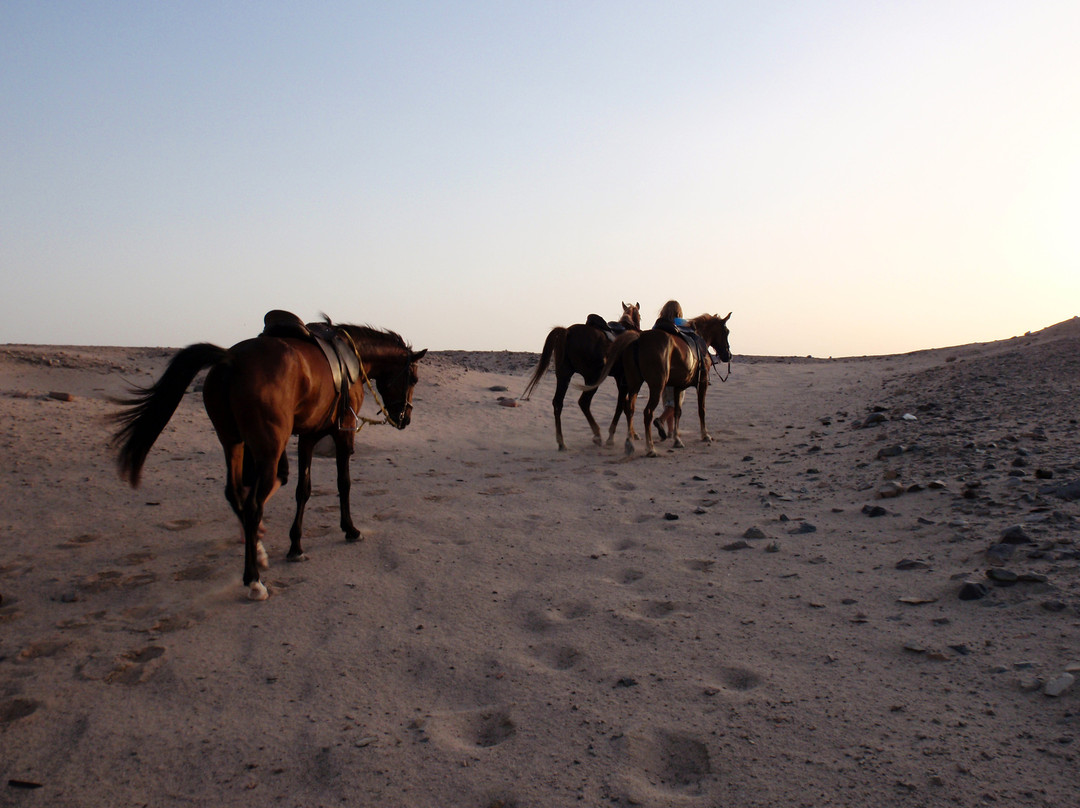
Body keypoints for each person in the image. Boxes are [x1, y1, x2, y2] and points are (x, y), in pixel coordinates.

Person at [653, 300, 685, 441]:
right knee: (676, 402)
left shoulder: (657, 325)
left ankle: (671, 431)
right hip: (676, 368)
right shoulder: (680, 323)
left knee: (668, 401)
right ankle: (661, 420)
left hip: (660, 369)